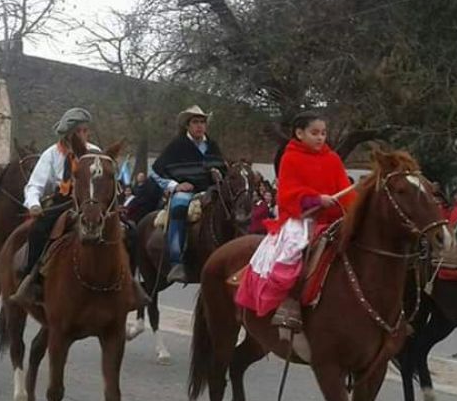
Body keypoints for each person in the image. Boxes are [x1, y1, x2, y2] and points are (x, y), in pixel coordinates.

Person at [8, 108, 148, 307]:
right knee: (39, 229)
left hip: (92, 202)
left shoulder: (95, 151)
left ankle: (130, 283)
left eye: (85, 130)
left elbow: (104, 180)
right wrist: (34, 204)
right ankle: (32, 280)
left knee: (131, 231)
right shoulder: (51, 154)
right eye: (79, 131)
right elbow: (35, 184)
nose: (84, 135)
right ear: (69, 134)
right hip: (62, 201)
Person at [235, 111, 356, 331]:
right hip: (301, 219)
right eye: (315, 133)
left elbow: (344, 190)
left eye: (323, 133)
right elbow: (288, 194)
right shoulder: (290, 157)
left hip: (333, 217)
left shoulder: (333, 158)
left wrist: (354, 207)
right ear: (299, 133)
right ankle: (289, 304)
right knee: (292, 250)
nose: (321, 138)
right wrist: (315, 199)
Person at [150, 105, 227, 283]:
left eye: (202, 122)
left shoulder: (212, 145)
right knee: (178, 208)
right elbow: (156, 171)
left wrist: (218, 173)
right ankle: (177, 261)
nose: (200, 126)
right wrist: (175, 185)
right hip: (187, 191)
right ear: (187, 125)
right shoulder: (177, 145)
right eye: (195, 122)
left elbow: (222, 168)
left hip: (210, 189)